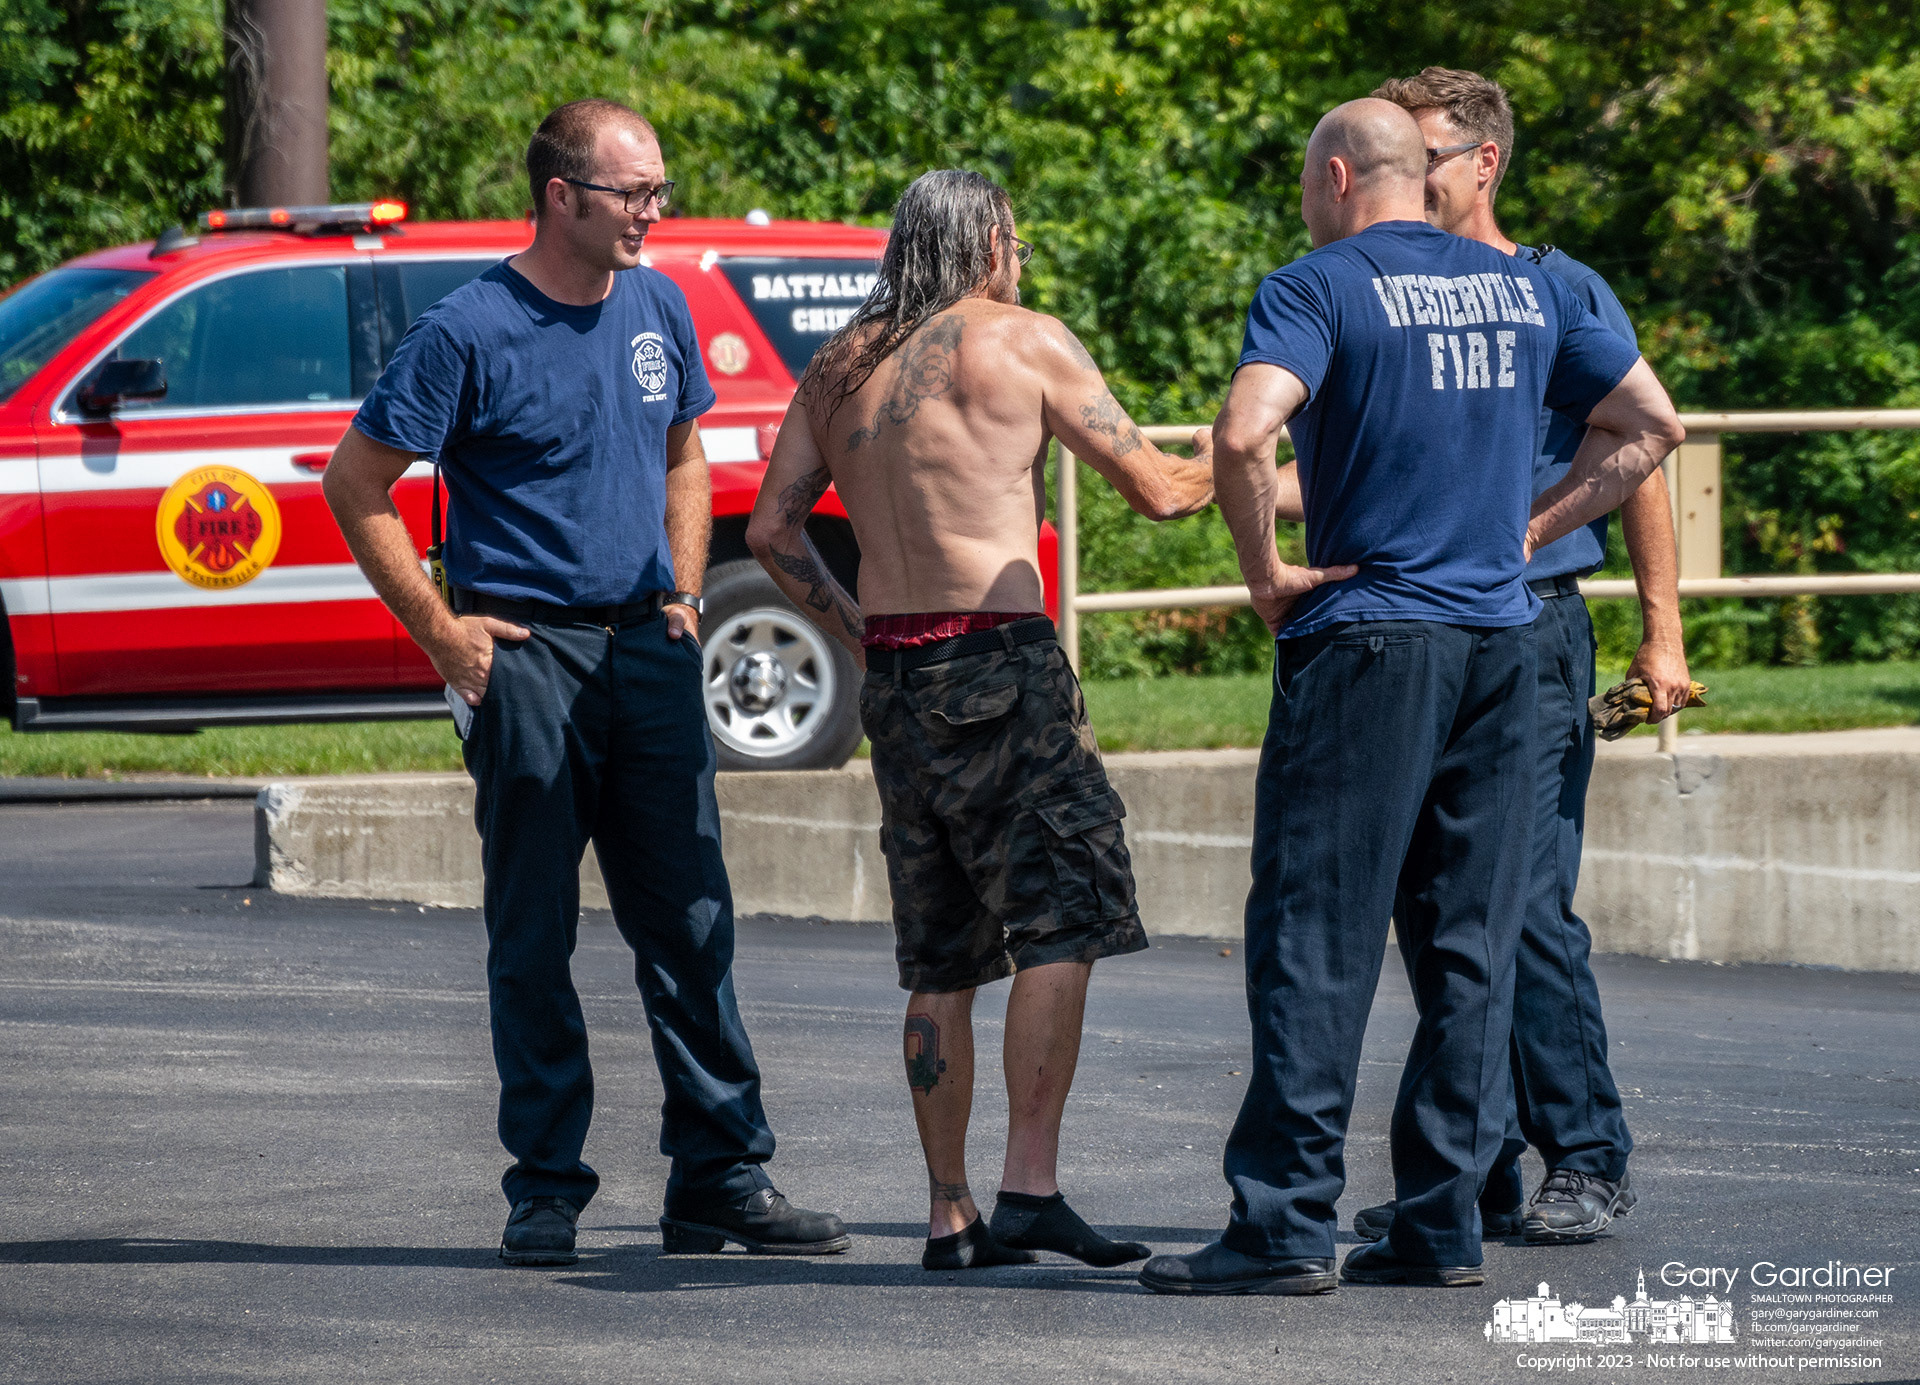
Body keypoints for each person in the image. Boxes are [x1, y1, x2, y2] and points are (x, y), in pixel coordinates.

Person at [1137, 99, 1684, 1296]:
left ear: (1337, 176)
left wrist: (1266, 574)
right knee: (1473, 939)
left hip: (1371, 640)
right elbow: (1651, 423)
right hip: (1507, 639)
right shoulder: (1527, 289)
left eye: (1301, 178)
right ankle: (1440, 1220)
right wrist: (1519, 532)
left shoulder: (1317, 285)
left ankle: (1283, 1223)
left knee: (1315, 932)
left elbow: (1242, 434)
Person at [323, 98, 846, 1268]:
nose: (655, 213)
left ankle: (719, 1173)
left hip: (646, 649)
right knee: (535, 929)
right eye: (635, 194)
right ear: (561, 195)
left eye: (660, 189)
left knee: (694, 919)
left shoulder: (658, 303)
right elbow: (355, 485)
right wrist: (447, 635)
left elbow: (684, 450)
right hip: (529, 658)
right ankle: (544, 1184)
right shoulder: (467, 330)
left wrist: (685, 593)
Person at [745, 169, 1221, 1272]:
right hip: (1001, 660)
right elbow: (1155, 488)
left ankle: (948, 1213)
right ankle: (1032, 1186)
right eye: (1018, 241)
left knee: (943, 949)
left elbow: (773, 529)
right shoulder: (1020, 338)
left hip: (901, 678)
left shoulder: (838, 365)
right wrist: (1258, 457)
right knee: (1064, 914)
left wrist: (862, 627)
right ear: (993, 241)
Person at [1326, 66, 1688, 1249]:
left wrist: (1659, 623)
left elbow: (1641, 442)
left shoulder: (1552, 288)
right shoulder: (1389, 288)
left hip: (1530, 625)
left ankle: (1584, 1149)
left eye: (1426, 151)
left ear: (1484, 162)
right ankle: (1462, 1171)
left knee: (1523, 906)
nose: (1404, 170)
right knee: (1435, 911)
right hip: (1418, 631)